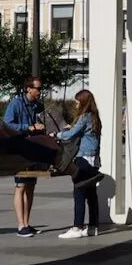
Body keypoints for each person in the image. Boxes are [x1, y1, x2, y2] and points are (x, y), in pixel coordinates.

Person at [5, 76, 51, 237]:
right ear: (28, 89)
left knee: (31, 185)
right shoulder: (16, 103)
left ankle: (27, 223)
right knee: (21, 186)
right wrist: (29, 127)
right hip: (20, 150)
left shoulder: (37, 106)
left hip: (34, 149)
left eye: (40, 88)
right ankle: (20, 225)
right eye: (37, 88)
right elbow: (7, 124)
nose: (40, 91)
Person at [57, 89, 104, 239]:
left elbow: (71, 135)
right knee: (91, 194)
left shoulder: (84, 117)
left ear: (83, 103)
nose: (76, 105)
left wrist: (56, 134)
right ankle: (93, 226)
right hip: (94, 159)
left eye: (77, 102)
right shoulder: (95, 117)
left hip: (83, 158)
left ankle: (77, 227)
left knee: (79, 191)